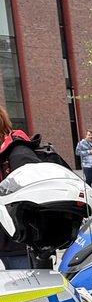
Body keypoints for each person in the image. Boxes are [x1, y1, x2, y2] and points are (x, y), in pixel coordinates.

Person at [0, 104, 43, 268]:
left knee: (26, 288)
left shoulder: (18, 150)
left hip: (16, 243)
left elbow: (32, 192)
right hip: (10, 243)